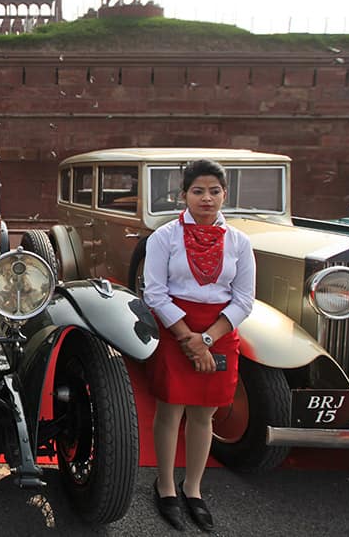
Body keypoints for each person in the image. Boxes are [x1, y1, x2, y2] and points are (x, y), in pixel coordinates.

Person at [143, 159, 255, 532]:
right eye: (198, 191)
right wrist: (188, 338)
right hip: (175, 326)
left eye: (214, 191)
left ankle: (193, 489)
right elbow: (155, 292)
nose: (207, 198)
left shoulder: (239, 242)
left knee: (204, 414)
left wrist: (206, 340)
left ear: (225, 194)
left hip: (219, 331)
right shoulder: (164, 237)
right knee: (170, 409)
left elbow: (244, 299)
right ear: (184, 195)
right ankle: (164, 486)